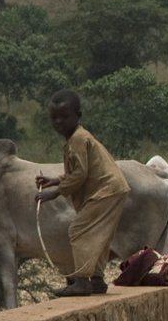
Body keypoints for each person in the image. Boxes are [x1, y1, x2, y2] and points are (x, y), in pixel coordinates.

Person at [33, 90, 129, 298]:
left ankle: (82, 281)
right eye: (54, 118)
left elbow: (81, 174)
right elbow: (81, 169)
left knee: (79, 230)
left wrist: (57, 192)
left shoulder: (77, 139)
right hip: (115, 188)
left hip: (106, 189)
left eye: (64, 117)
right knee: (100, 234)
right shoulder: (77, 138)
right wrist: (56, 180)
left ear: (78, 116)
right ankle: (96, 279)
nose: (58, 122)